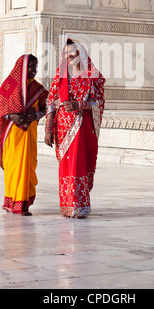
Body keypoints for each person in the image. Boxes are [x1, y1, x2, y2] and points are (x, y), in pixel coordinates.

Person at [45, 39, 105, 218]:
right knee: (66, 167)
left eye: (72, 55)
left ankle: (80, 206)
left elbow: (99, 102)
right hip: (63, 129)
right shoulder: (61, 75)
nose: (68, 58)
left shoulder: (92, 76)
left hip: (82, 127)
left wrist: (80, 105)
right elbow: (51, 101)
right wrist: (48, 129)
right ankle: (67, 205)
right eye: (66, 55)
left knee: (79, 165)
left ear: (81, 55)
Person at [0, 54, 48, 215]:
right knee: (14, 168)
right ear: (22, 67)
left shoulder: (38, 89)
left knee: (27, 167)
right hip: (13, 135)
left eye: (36, 67)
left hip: (29, 134)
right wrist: (12, 116)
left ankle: (22, 204)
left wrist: (34, 115)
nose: (34, 70)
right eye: (31, 67)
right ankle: (11, 202)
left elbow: (45, 108)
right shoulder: (9, 86)